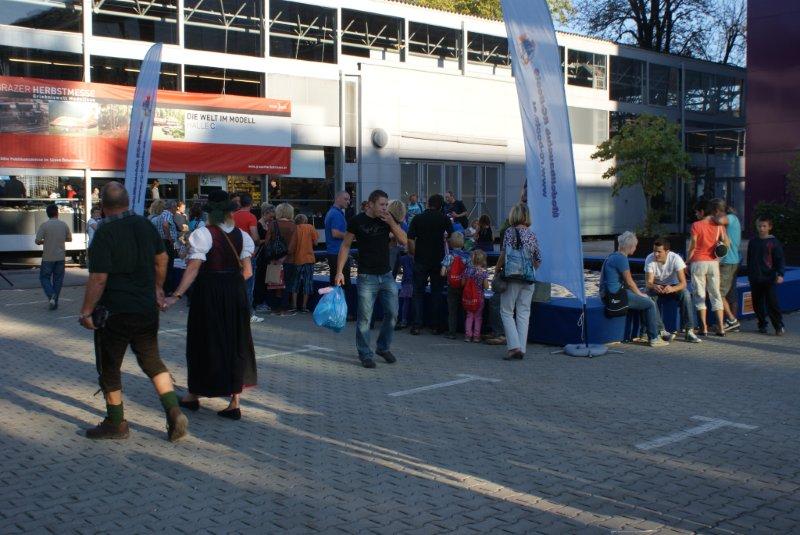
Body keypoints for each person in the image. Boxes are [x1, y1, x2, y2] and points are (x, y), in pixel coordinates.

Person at [78, 182, 188, 441]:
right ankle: (173, 411)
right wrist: (158, 287)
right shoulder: (144, 225)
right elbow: (162, 259)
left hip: (115, 311)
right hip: (146, 308)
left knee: (110, 367)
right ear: (127, 202)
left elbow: (98, 278)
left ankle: (116, 423)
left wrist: (86, 311)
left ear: (103, 206)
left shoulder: (104, 232)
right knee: (152, 361)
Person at [165, 190, 257, 420]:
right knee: (235, 342)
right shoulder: (242, 236)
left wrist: (176, 295)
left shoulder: (203, 234)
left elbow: (193, 269)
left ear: (211, 213)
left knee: (203, 341)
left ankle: (194, 394)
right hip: (236, 294)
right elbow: (247, 272)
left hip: (209, 295)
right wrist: (230, 284)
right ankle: (234, 402)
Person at [335, 189, 407, 368]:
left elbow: (404, 241)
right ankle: (365, 353)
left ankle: (383, 347)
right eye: (381, 204)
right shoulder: (357, 221)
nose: (384, 208)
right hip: (366, 276)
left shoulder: (387, 219)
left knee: (393, 313)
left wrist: (392, 223)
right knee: (365, 318)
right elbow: (345, 246)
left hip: (386, 275)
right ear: (371, 204)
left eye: (386, 205)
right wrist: (339, 272)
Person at [601, 231, 667, 348]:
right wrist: (640, 294)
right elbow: (630, 282)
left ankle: (644, 334)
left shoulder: (613, 256)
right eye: (635, 246)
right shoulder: (621, 259)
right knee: (650, 303)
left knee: (642, 299)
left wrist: (638, 294)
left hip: (608, 293)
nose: (636, 248)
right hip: (615, 295)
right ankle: (654, 338)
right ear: (630, 246)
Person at [495, 204, 543, 359]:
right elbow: (538, 260)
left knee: (506, 311)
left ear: (514, 215)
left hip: (513, 277)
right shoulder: (532, 234)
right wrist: (529, 268)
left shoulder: (510, 232)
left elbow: (504, 254)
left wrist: (497, 269)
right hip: (529, 278)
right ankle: (521, 348)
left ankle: (514, 347)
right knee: (524, 312)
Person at [407, 194, 453, 336]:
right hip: (438, 260)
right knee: (436, 292)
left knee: (417, 292)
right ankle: (436, 325)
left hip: (420, 259)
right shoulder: (444, 218)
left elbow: (410, 238)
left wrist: (413, 253)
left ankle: (416, 325)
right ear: (441, 206)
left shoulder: (418, 218)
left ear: (428, 204)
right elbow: (452, 236)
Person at [644, 238, 701, 343]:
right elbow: (648, 283)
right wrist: (654, 286)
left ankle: (689, 331)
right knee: (649, 295)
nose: (656, 254)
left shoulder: (676, 258)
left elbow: (683, 283)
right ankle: (661, 331)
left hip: (673, 286)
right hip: (657, 287)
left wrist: (672, 288)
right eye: (654, 251)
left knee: (686, 294)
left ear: (667, 252)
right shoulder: (649, 258)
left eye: (659, 252)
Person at [687, 198, 729, 337]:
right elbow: (726, 243)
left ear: (702, 211)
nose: (696, 215)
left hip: (698, 262)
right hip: (713, 262)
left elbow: (693, 245)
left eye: (696, 212)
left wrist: (687, 261)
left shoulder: (696, 225)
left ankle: (703, 328)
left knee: (699, 295)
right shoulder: (719, 226)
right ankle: (721, 328)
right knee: (715, 294)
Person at [747, 216, 785, 335]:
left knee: (772, 303)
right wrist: (750, 275)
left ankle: (778, 326)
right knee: (757, 303)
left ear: (770, 227)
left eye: (764, 226)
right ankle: (762, 324)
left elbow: (779, 259)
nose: (761, 228)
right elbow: (749, 259)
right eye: (759, 226)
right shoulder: (753, 242)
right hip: (755, 278)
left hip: (769, 278)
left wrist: (780, 274)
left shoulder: (774, 242)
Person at [35, 204, 72, 310]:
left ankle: (51, 295)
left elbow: (37, 241)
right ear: (57, 213)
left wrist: (45, 241)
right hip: (60, 257)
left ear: (47, 214)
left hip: (48, 257)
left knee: (44, 278)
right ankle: (54, 303)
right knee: (58, 279)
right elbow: (69, 239)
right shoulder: (63, 224)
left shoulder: (44, 225)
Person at [232, 193, 262, 324]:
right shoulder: (251, 217)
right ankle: (249, 314)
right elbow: (255, 237)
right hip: (247, 254)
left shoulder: (233, 216)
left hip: (233, 253)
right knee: (248, 285)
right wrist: (259, 242)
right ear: (251, 203)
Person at [440, 232, 471, 339]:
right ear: (463, 244)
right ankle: (467, 332)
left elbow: (442, 273)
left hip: (452, 286)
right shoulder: (467, 256)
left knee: (452, 310)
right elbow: (470, 273)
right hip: (463, 286)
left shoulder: (449, 256)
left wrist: (449, 271)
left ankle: (452, 333)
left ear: (451, 243)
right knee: (465, 309)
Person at [269, 203, 297, 315]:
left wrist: (273, 257)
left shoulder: (272, 224)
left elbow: (267, 242)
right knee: (287, 283)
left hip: (273, 259)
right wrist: (285, 256)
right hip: (289, 259)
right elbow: (293, 245)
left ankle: (274, 307)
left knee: (274, 283)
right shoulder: (293, 226)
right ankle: (284, 308)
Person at [287, 213, 318, 314]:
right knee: (307, 282)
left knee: (295, 282)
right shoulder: (310, 227)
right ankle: (304, 306)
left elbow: (291, 247)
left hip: (297, 259)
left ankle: (294, 305)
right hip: (309, 259)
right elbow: (316, 242)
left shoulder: (295, 229)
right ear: (305, 220)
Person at [719, 204, 742, 332]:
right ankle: (731, 322)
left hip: (728, 261)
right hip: (731, 260)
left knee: (721, 293)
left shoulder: (731, 218)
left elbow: (720, 220)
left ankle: (732, 320)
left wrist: (709, 217)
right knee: (729, 293)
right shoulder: (733, 219)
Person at [325, 191, 352, 290]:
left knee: (336, 284)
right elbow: (335, 233)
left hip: (334, 253)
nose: (348, 202)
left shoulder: (333, 212)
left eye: (349, 200)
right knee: (343, 285)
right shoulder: (336, 214)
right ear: (337, 199)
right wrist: (351, 236)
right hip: (338, 254)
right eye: (346, 199)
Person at [462, 249, 490, 343]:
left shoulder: (467, 270)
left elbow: (463, 283)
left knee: (469, 316)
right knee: (478, 317)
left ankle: (468, 336)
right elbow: (486, 287)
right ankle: (476, 336)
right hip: (479, 297)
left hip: (469, 297)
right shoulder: (483, 272)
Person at [254, 203, 275, 314]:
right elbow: (256, 241)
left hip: (268, 255)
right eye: (271, 215)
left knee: (267, 279)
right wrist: (267, 240)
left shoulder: (269, 224)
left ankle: (264, 301)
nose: (272, 218)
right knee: (260, 279)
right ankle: (258, 302)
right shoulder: (258, 225)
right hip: (261, 255)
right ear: (266, 213)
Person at [395, 251, 414, 330]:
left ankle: (404, 320)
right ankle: (413, 321)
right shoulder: (415, 258)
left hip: (407, 282)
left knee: (406, 302)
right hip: (414, 281)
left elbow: (397, 265)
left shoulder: (403, 258)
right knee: (413, 302)